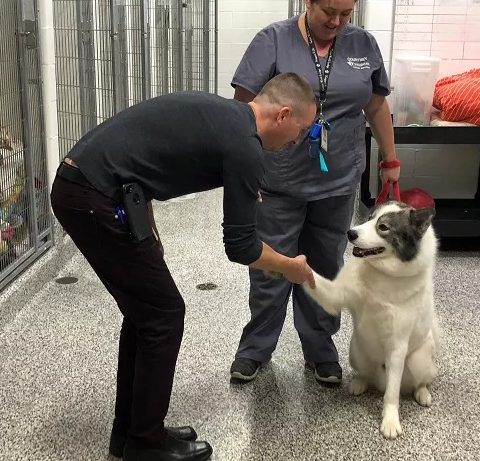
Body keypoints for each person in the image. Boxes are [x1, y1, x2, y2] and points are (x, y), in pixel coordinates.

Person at [50, 72, 318, 461]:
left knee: (146, 314)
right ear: (283, 114)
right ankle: (145, 445)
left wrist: (147, 228)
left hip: (89, 186)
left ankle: (132, 434)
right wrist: (288, 267)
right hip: (93, 194)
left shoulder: (227, 117)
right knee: (163, 314)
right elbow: (240, 247)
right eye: (301, 129)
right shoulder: (245, 145)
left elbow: (146, 157)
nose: (297, 141)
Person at [230, 0, 399, 385]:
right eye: (329, 13)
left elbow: (376, 105)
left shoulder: (363, 45)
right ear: (308, 1)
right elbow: (242, 108)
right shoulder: (273, 39)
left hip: (338, 180)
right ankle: (255, 348)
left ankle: (320, 350)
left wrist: (390, 160)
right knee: (272, 267)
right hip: (278, 180)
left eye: (346, 14)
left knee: (325, 266)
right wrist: (242, 170)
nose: (338, 22)